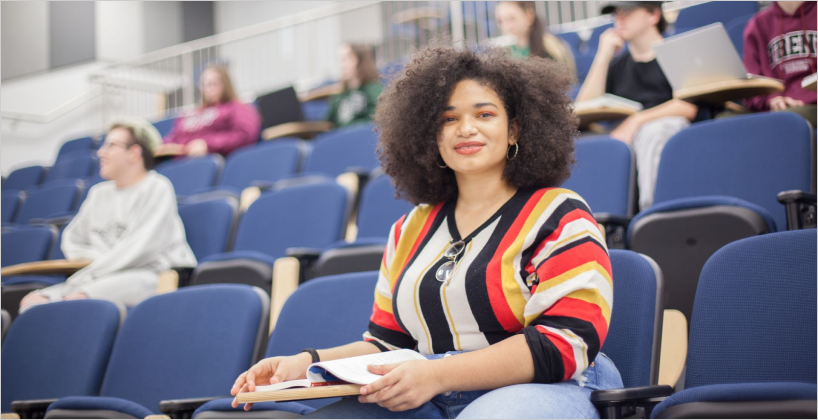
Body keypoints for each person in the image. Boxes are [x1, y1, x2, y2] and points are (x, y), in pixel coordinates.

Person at [230, 43, 622, 419]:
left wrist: (437, 375)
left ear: (515, 129)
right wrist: (306, 363)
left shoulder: (558, 213)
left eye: (484, 114)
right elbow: (388, 344)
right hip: (434, 392)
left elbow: (567, 342)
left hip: (554, 385)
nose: (465, 129)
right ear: (430, 136)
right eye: (448, 119)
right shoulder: (408, 228)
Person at [19, 119, 197, 312]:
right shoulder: (99, 193)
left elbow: (140, 249)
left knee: (78, 300)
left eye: (110, 145)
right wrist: (99, 260)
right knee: (32, 302)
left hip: (148, 273)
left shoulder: (157, 187)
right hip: (99, 274)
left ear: (134, 153)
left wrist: (95, 268)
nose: (100, 152)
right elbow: (72, 240)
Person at [576, 1, 697, 210]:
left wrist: (637, 120)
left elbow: (687, 107)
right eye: (616, 13)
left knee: (654, 132)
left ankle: (651, 214)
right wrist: (603, 55)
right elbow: (583, 109)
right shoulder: (618, 65)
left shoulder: (675, 53)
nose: (619, 19)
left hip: (661, 130)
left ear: (653, 15)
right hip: (624, 134)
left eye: (628, 12)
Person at [160, 65, 261, 157]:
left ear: (225, 85)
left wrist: (207, 145)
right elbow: (173, 137)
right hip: (181, 161)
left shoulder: (237, 108)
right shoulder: (190, 114)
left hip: (210, 160)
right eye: (204, 85)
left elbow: (244, 135)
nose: (208, 89)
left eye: (213, 84)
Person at [743, 1, 816, 127]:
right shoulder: (757, 25)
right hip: (776, 109)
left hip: (812, 105)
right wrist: (772, 100)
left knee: (787, 121)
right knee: (723, 120)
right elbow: (750, 86)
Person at [495, 1, 576, 76]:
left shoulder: (550, 46)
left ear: (529, 16)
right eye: (501, 21)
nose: (507, 26)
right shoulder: (507, 51)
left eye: (512, 18)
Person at [326, 43, 383, 128]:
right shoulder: (339, 95)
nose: (343, 65)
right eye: (341, 60)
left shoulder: (373, 90)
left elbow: (377, 120)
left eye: (346, 59)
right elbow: (328, 124)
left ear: (360, 60)